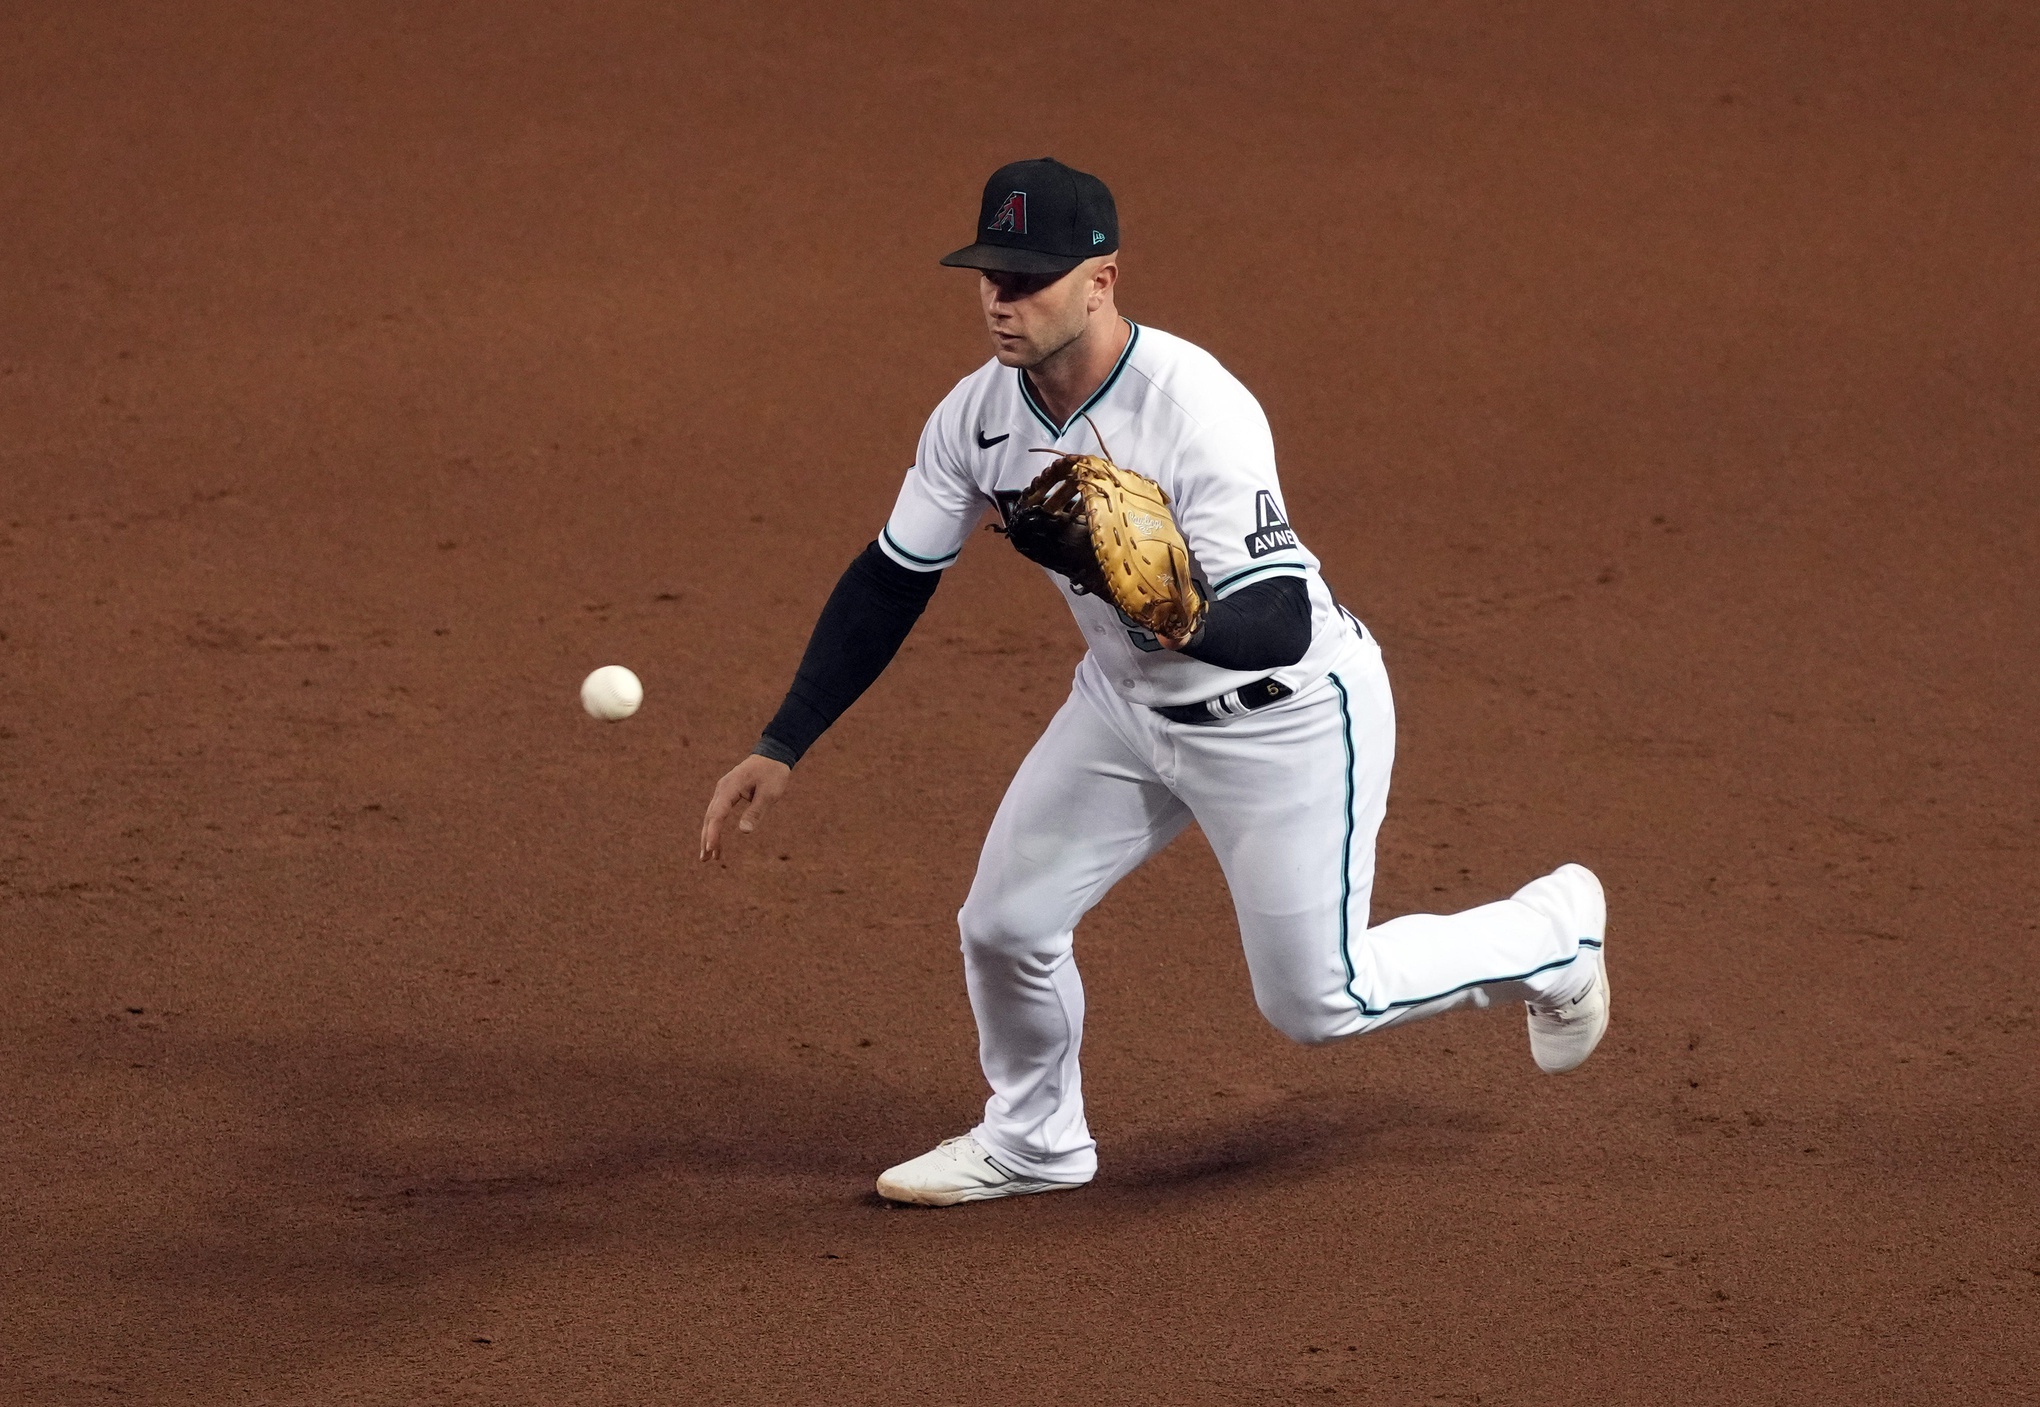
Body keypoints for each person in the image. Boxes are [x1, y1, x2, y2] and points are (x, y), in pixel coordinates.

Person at [699, 157, 1609, 1207]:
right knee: (1004, 926)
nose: (1002, 297)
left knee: (1320, 1000)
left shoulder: (1195, 409)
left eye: (1030, 277)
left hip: (1283, 720)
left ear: (1101, 279)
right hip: (1125, 713)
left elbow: (1279, 620)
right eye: (989, 272)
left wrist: (1170, 610)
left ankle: (1554, 934)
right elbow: (891, 578)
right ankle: (1037, 1139)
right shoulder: (974, 419)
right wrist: (783, 739)